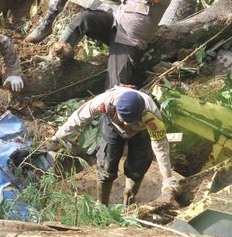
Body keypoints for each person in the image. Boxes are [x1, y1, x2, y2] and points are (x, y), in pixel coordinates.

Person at [53, 0, 173, 88]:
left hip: (129, 40)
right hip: (115, 23)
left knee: (115, 84)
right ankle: (56, 55)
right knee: (83, 19)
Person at [51, 86, 179, 206]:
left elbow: (160, 146)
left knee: (139, 164)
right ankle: (102, 205)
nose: (125, 124)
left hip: (141, 132)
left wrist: (168, 178)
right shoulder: (104, 102)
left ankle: (129, 201)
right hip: (112, 126)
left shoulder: (152, 117)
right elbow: (79, 117)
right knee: (107, 162)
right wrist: (58, 136)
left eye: (129, 121)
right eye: (122, 118)